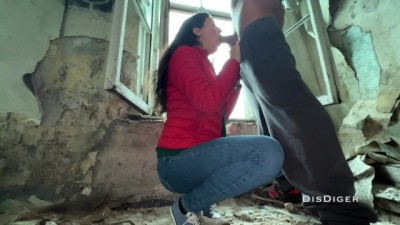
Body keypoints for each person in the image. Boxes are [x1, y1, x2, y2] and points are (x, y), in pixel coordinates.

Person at [229, 0, 378, 224]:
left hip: (261, 37)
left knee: (299, 116)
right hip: (247, 48)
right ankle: (288, 188)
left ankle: (341, 210)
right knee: (270, 125)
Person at [154, 12, 285, 225]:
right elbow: (208, 102)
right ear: (196, 31)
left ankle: (204, 206)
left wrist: (235, 83)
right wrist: (233, 61)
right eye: (213, 25)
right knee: (268, 152)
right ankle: (185, 206)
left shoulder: (204, 63)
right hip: (176, 161)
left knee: (280, 162)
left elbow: (219, 111)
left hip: (196, 156)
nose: (220, 31)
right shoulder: (184, 54)